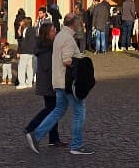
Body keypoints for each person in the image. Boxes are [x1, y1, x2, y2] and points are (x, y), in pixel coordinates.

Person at [27, 13, 92, 155]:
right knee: (79, 111)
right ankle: (76, 145)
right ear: (74, 24)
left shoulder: (60, 36)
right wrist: (83, 63)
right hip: (67, 82)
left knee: (58, 110)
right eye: (79, 21)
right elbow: (67, 60)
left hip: (58, 81)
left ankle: (36, 135)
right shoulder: (68, 38)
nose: (81, 24)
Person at [21, 22, 64, 149]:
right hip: (49, 83)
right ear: (46, 34)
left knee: (53, 109)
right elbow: (48, 67)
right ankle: (31, 127)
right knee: (51, 109)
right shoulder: (46, 48)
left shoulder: (48, 46)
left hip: (49, 82)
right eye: (52, 31)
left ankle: (54, 139)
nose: (55, 32)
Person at [17, 15, 39, 89]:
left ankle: (22, 83)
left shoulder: (26, 29)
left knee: (22, 67)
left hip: (25, 51)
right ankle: (29, 82)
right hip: (31, 51)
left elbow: (23, 42)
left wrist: (19, 51)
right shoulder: (33, 29)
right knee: (30, 67)